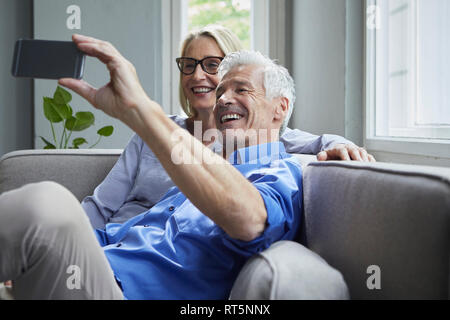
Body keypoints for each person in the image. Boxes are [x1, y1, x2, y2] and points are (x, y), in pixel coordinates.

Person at [0, 37, 316, 299]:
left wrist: (140, 109)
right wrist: (49, 255)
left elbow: (249, 221)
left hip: (123, 292)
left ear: (281, 107)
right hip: (90, 276)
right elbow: (111, 234)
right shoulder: (191, 183)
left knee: (46, 203)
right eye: (221, 92)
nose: (223, 100)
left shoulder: (281, 172)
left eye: (241, 90)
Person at [81, 25, 375, 229]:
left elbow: (313, 141)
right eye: (189, 64)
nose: (198, 76)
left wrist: (342, 146)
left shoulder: (247, 139)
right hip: (119, 237)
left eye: (211, 65)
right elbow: (101, 207)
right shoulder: (155, 133)